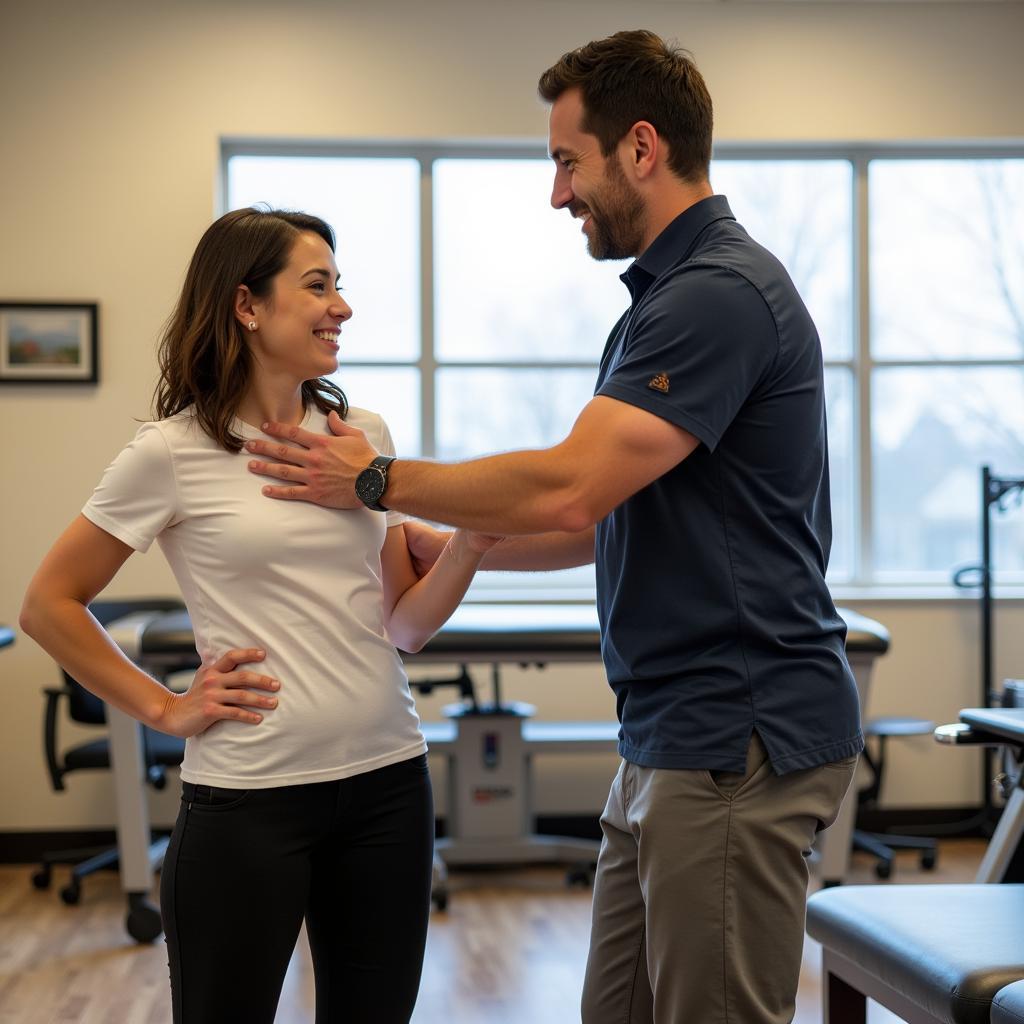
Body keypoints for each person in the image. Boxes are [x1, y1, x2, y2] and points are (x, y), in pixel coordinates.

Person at [242, 30, 863, 1024]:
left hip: (731, 735)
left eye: (567, 161)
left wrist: (380, 480)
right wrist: (459, 545)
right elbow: (599, 521)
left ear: (642, 149)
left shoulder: (717, 297)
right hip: (664, 734)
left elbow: (571, 490)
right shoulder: (662, 304)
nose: (557, 193)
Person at [20, 207, 499, 1024]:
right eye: (318, 286)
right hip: (251, 800)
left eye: (339, 287)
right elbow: (47, 605)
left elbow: (405, 627)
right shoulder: (171, 452)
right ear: (247, 305)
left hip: (388, 783)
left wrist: (471, 540)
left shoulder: (361, 439)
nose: (341, 307)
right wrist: (165, 709)